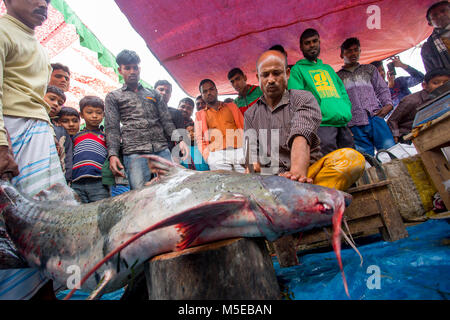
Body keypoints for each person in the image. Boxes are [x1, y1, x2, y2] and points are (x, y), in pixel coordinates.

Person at [0, 0, 68, 300]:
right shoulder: (2, 31)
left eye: (49, 0)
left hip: (36, 135)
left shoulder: (38, 46)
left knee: (44, 225)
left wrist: (46, 131)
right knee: (13, 228)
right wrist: (1, 145)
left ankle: (41, 291)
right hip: (13, 135)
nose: (43, 3)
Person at [244, 50, 365, 191]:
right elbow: (251, 156)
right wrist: (254, 166)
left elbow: (301, 135)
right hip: (273, 182)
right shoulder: (250, 114)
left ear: (287, 74)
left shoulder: (303, 98)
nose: (271, 79)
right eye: (265, 75)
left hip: (308, 173)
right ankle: (309, 200)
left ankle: (302, 199)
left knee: (352, 159)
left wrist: (296, 176)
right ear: (258, 78)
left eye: (276, 73)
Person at [105, 50, 188, 190]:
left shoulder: (153, 93)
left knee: (173, 188)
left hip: (161, 149)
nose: (132, 71)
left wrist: (180, 140)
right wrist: (113, 154)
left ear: (139, 68)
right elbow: (112, 128)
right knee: (140, 194)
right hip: (134, 153)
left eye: (135, 67)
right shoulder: (114, 97)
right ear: (120, 70)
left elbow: (166, 121)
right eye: (127, 68)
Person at [287, 28, 354, 155]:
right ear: (301, 47)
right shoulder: (297, 70)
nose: (312, 45)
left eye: (314, 41)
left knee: (352, 161)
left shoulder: (328, 68)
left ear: (319, 42)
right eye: (307, 43)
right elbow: (297, 97)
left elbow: (342, 91)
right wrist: (316, 116)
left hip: (342, 122)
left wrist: (346, 110)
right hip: (321, 127)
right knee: (331, 164)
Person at [337, 37, 396, 156]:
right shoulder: (337, 77)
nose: (353, 53)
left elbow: (382, 89)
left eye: (355, 50)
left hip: (375, 117)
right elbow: (338, 102)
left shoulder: (369, 69)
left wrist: (388, 104)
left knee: (390, 154)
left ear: (360, 51)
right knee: (365, 161)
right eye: (349, 51)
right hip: (354, 124)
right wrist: (344, 125)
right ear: (342, 54)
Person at [194, 79, 246, 172]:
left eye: (211, 89)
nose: (209, 93)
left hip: (239, 150)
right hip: (216, 155)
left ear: (216, 90)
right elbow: (199, 139)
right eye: (205, 91)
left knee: (248, 181)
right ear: (202, 95)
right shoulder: (199, 115)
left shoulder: (232, 106)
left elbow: (243, 127)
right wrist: (207, 156)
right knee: (224, 184)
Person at [387, 68, 450, 143]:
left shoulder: (446, 96)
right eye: (435, 83)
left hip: (437, 131)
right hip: (411, 137)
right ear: (424, 85)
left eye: (446, 82)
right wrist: (396, 137)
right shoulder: (412, 100)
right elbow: (392, 120)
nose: (441, 85)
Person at [71, 96, 109, 203]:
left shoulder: (106, 137)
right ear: (81, 115)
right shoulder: (75, 136)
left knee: (100, 210)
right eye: (89, 112)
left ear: (104, 114)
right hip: (76, 182)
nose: (94, 116)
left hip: (99, 181)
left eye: (98, 112)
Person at [44, 86, 73, 183]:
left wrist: (66, 180)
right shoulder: (29, 122)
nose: (55, 104)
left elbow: (66, 158)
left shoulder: (61, 131)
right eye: (52, 99)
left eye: (60, 103)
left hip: (55, 179)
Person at [154, 80, 185, 150]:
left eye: (167, 91)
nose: (164, 93)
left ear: (170, 95)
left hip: (167, 153)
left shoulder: (176, 113)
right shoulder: (145, 109)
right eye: (161, 89)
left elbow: (181, 137)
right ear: (154, 92)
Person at [421, 1, 450, 72]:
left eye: (443, 11)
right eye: (435, 15)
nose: (440, 15)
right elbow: (433, 76)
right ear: (430, 23)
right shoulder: (427, 48)